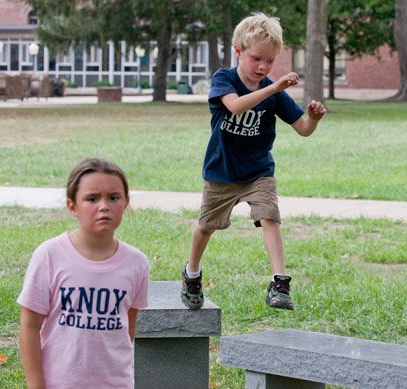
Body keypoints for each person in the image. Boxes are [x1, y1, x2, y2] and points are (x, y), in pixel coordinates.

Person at [181, 12, 326, 311]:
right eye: (256, 59)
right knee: (206, 226)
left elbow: (302, 129)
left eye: (270, 61)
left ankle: (279, 283)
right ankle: (192, 273)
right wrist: (273, 88)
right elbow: (234, 106)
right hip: (221, 171)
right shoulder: (225, 78)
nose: (263, 67)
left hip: (258, 171)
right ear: (238, 51)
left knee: (270, 217)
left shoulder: (273, 92)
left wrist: (312, 119)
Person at [17, 157, 149, 388]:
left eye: (114, 197)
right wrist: (36, 385)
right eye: (92, 199)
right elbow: (29, 327)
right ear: (72, 206)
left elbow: (128, 327)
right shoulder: (49, 255)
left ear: (126, 202)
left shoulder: (137, 263)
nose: (104, 206)